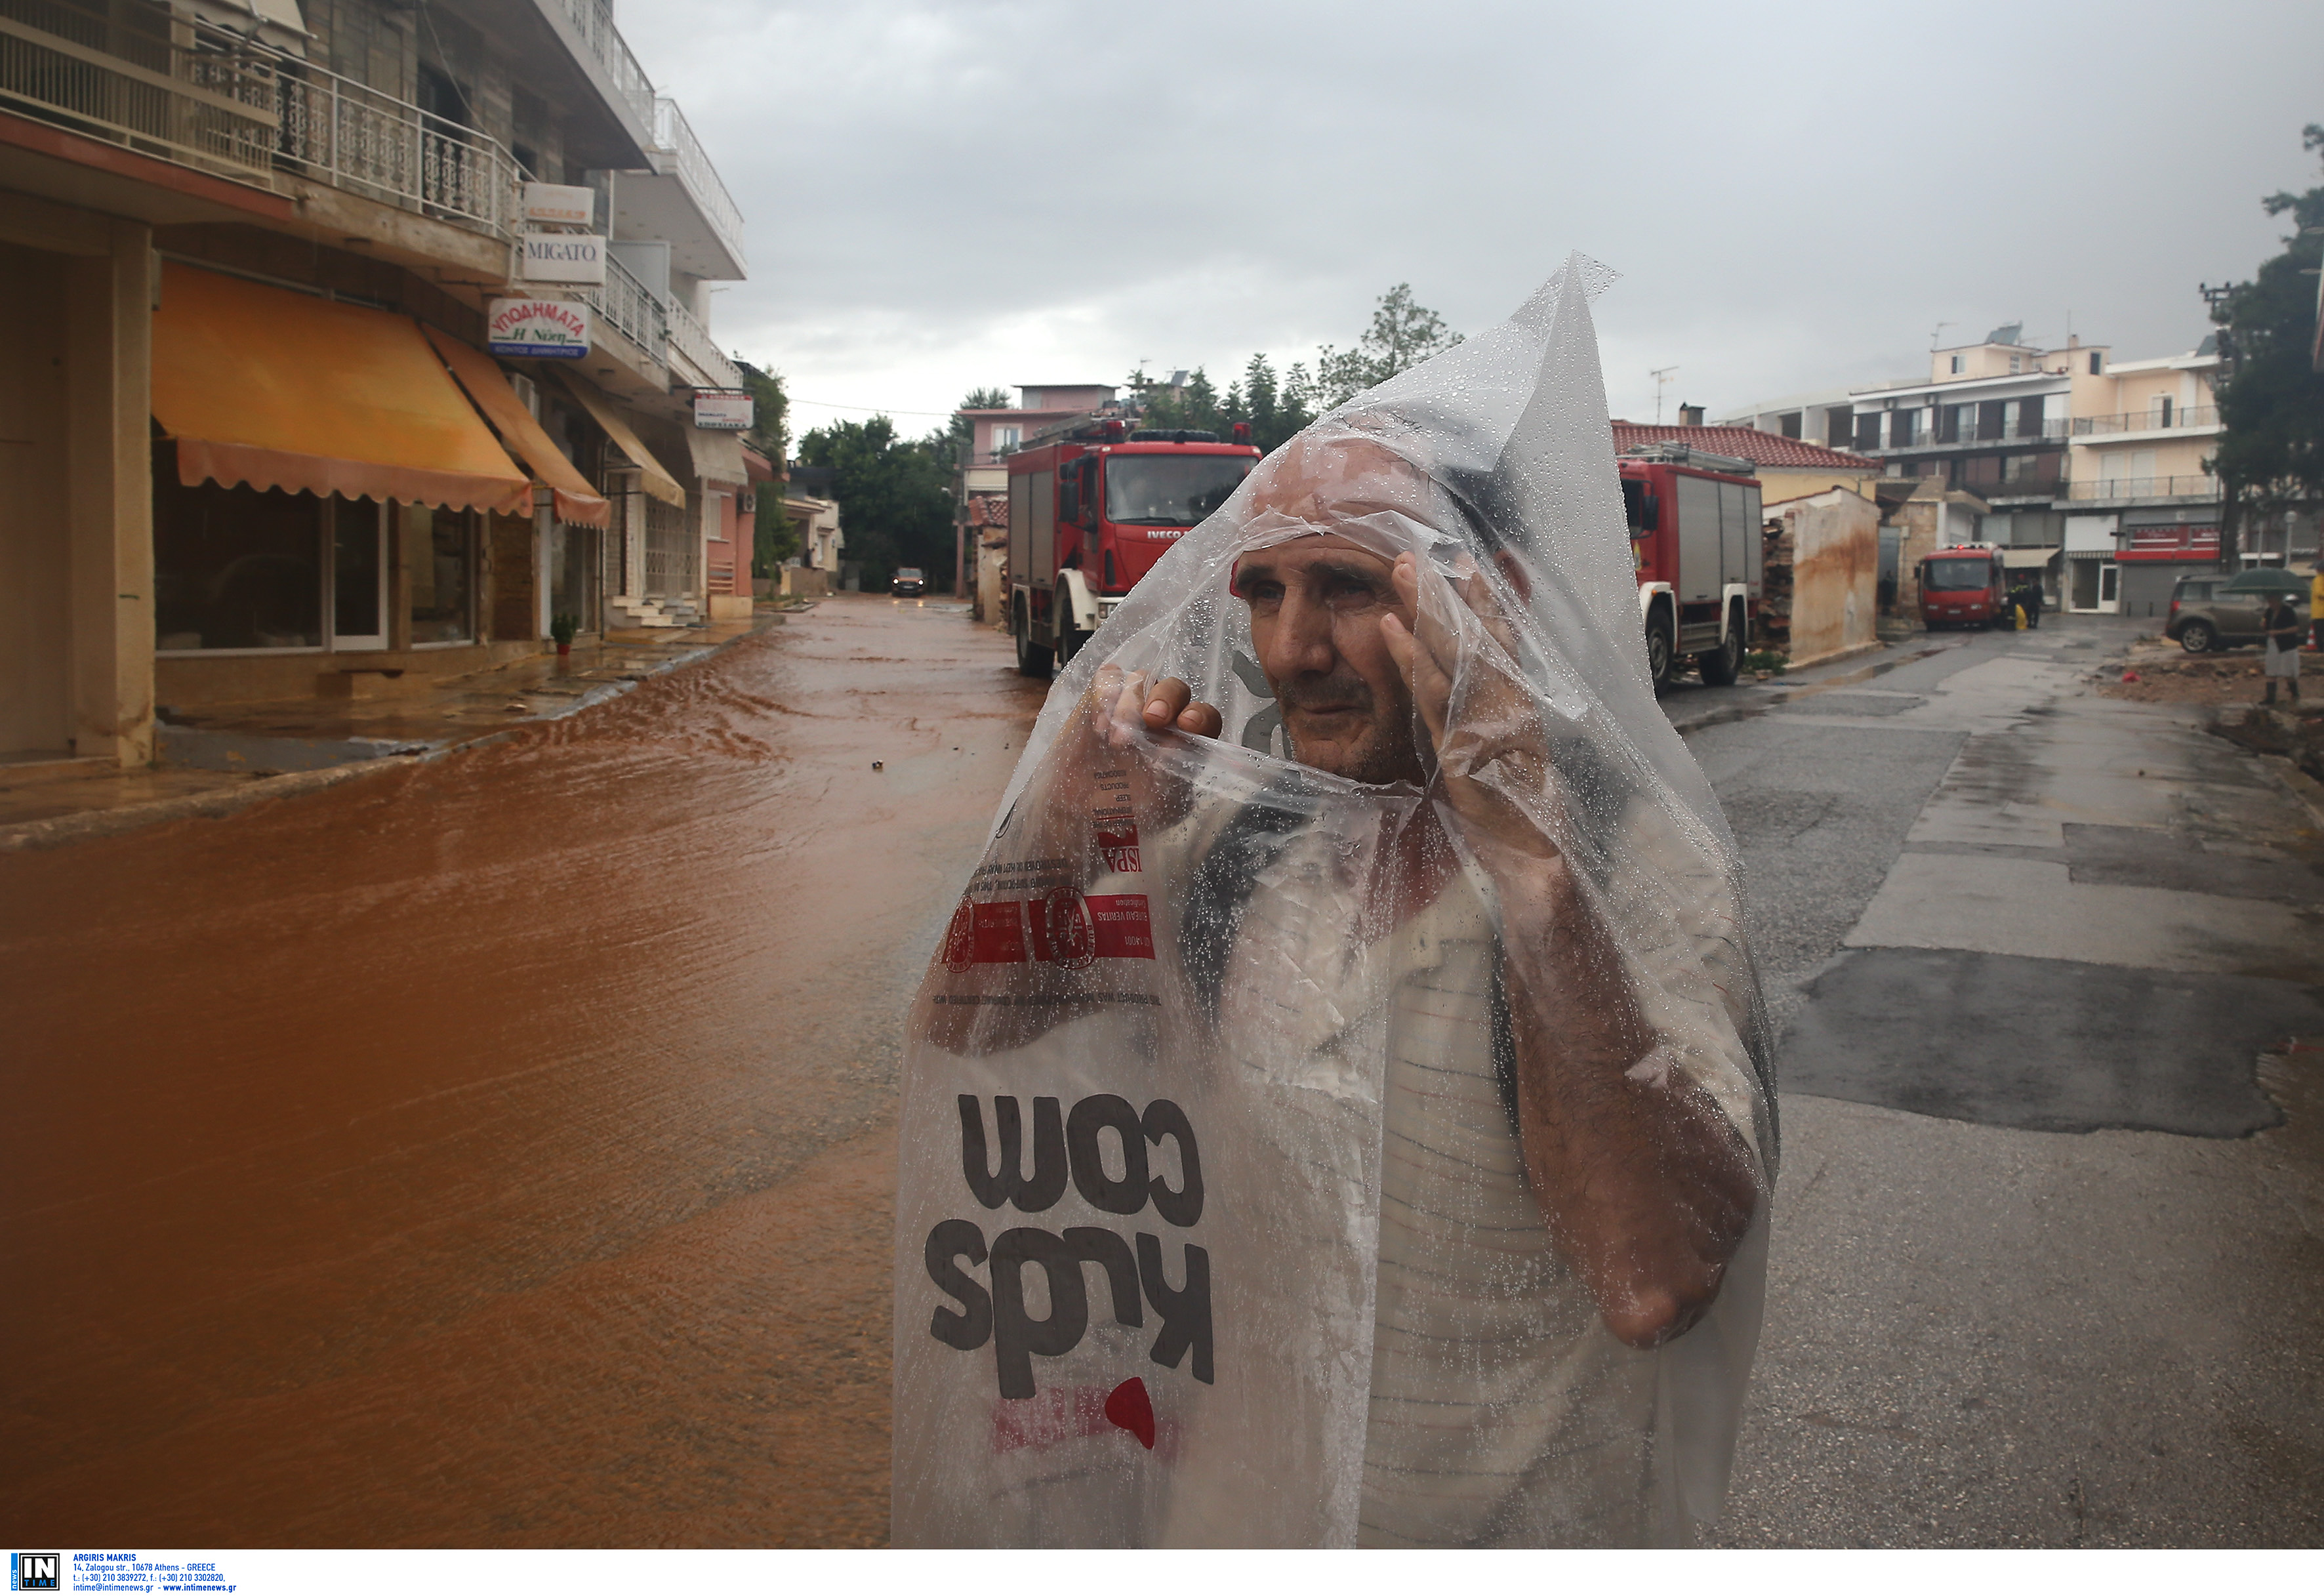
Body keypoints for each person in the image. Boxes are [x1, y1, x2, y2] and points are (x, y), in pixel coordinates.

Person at [892, 259, 1773, 1549]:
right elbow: (960, 1028)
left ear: (1487, 600)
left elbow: (1652, 1277)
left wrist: (1528, 868)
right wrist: (1058, 826)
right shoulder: (1245, 857)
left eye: (1349, 589)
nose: (1290, 648)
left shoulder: (1634, 875)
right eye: (1263, 589)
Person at [2262, 588, 2304, 705]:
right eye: (2269, 601)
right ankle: (2270, 698)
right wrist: (2265, 628)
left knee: (2288, 671)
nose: (2271, 604)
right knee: (2271, 670)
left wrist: (2279, 632)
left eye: (2273, 601)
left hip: (2287, 645)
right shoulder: (2268, 612)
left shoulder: (2288, 611)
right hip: (2273, 644)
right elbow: (2266, 628)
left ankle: (2294, 693)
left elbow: (2295, 628)